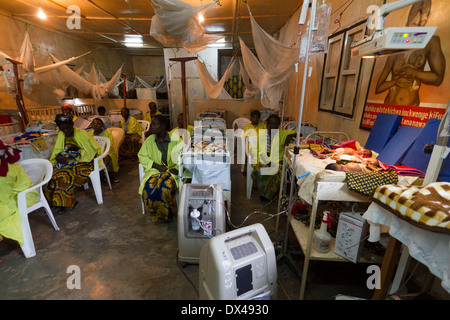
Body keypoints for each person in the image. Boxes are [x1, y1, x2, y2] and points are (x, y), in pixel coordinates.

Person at [44, 114, 101, 214]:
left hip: (85, 163)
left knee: (64, 176)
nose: (65, 131)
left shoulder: (82, 134)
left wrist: (78, 152)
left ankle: (69, 202)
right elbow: (58, 151)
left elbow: (92, 153)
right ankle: (54, 202)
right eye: (62, 129)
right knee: (49, 175)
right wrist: (59, 157)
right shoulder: (61, 135)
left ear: (72, 124)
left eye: (67, 128)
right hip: (68, 163)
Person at [138, 115, 185, 223]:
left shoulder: (175, 139)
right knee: (149, 188)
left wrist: (178, 169)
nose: (152, 127)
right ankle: (159, 213)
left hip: (171, 170)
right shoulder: (149, 140)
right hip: (154, 170)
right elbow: (142, 156)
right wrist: (157, 166)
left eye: (154, 124)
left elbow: (183, 155)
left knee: (165, 186)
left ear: (163, 125)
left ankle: (166, 212)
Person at [0, 140, 38, 254]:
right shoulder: (4, 163)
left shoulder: (4, 171)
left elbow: (3, 197)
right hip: (11, 195)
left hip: (22, 197)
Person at [251, 114, 296, 201]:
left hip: (278, 161)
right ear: (267, 125)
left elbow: (298, 133)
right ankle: (264, 192)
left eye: (276, 124)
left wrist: (289, 136)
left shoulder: (282, 133)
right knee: (261, 168)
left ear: (278, 125)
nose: (273, 126)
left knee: (276, 171)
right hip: (263, 159)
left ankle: (267, 193)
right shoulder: (262, 135)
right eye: (271, 124)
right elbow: (256, 149)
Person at [89, 118, 120, 184]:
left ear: (102, 125)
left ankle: (109, 177)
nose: (95, 125)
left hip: (106, 152)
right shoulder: (89, 133)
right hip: (92, 153)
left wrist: (100, 153)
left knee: (105, 158)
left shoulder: (107, 133)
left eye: (98, 124)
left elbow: (109, 146)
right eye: (93, 123)